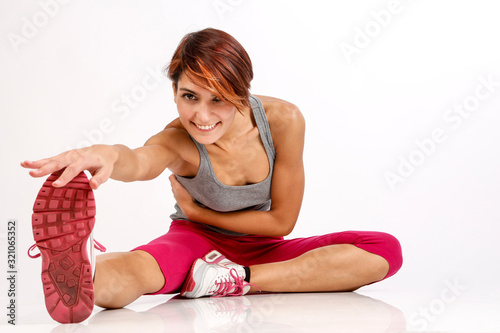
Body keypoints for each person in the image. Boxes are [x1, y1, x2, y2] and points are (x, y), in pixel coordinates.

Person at [22, 28, 403, 323]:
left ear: (241, 91)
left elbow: (281, 221)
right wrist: (106, 154)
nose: (202, 118)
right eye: (190, 96)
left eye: (217, 98)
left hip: (265, 250)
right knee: (137, 271)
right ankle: (78, 270)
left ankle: (233, 278)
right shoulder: (177, 141)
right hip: (194, 244)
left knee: (384, 249)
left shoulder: (283, 121)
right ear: (174, 91)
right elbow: (140, 160)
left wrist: (202, 213)